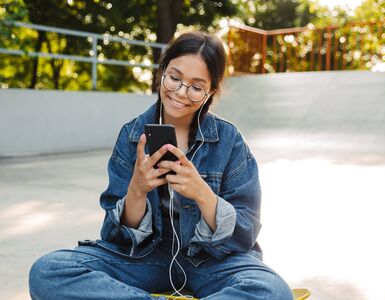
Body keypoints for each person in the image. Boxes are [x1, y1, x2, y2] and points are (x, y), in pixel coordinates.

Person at [29, 31, 293, 300]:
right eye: (175, 78)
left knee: (273, 290)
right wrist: (137, 190)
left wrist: (202, 194)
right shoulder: (132, 136)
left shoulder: (230, 141)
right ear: (162, 71)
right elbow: (115, 237)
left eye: (196, 86)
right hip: (147, 257)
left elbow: (245, 233)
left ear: (211, 90)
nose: (180, 92)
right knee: (48, 271)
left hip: (212, 261)